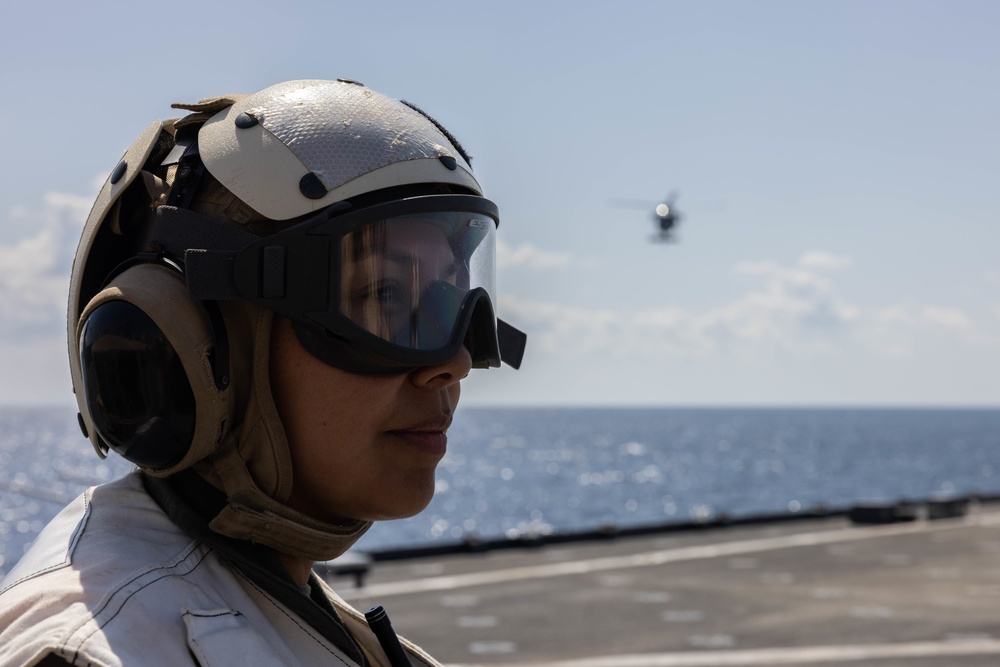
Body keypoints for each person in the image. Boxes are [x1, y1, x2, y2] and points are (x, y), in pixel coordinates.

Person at [0, 79, 525, 667]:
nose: (452, 363)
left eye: (447, 302)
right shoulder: (96, 651)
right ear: (187, 344)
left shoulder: (270, 608)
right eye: (383, 296)